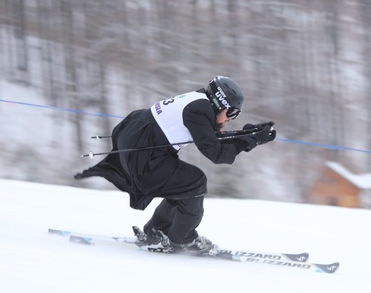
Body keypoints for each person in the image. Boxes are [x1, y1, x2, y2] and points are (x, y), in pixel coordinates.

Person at [74, 76, 276, 254]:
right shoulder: (199, 110)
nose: (229, 119)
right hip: (144, 158)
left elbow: (212, 138)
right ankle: (183, 239)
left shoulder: (199, 100)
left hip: (141, 150)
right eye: (232, 114)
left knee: (181, 184)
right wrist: (254, 140)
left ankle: (156, 231)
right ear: (221, 104)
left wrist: (249, 134)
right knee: (195, 182)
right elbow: (217, 154)